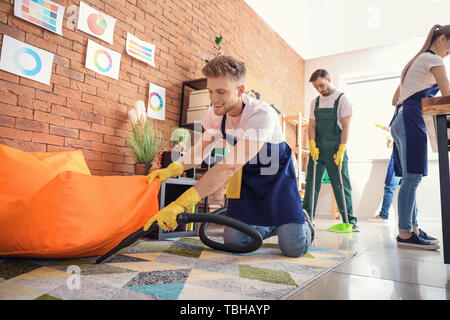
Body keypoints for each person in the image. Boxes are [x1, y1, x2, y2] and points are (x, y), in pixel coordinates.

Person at [144, 56, 314, 258]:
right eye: (211, 91)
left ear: (240, 90)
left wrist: (181, 204)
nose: (214, 99)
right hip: (248, 179)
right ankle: (275, 226)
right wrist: (174, 168)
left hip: (277, 177)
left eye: (221, 92)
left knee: (293, 249)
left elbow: (228, 168)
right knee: (235, 241)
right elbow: (199, 152)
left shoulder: (261, 115)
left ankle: (301, 221)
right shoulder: (216, 114)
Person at [389, 24, 450, 250]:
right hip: (410, 120)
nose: (449, 53)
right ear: (442, 38)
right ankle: (405, 234)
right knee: (412, 178)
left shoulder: (416, 60)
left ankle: (412, 228)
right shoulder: (434, 59)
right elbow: (447, 95)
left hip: (399, 120)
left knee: (409, 178)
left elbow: (395, 99)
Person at [302, 69, 359, 231]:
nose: (320, 90)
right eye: (316, 87)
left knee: (341, 185)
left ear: (329, 79)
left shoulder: (342, 99)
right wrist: (312, 145)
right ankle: (306, 219)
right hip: (318, 149)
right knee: (312, 183)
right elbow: (311, 125)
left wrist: (342, 149)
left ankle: (350, 220)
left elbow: (346, 126)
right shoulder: (315, 102)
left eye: (321, 85)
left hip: (336, 149)